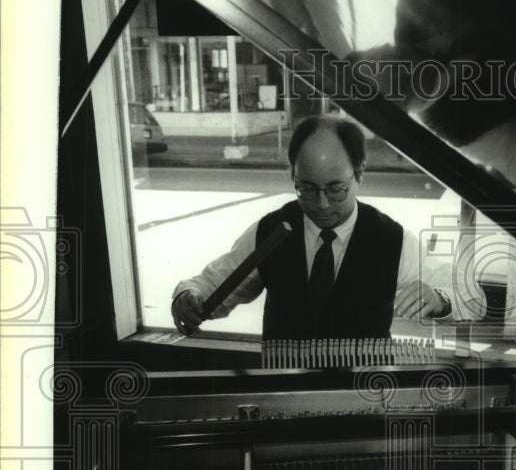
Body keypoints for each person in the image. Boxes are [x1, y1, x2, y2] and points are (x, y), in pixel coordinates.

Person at [171, 115, 484, 339]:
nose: (321, 205)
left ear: (359, 174)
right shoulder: (269, 232)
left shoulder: (393, 239)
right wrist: (188, 297)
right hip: (283, 398)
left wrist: (440, 298)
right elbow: (207, 287)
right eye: (306, 188)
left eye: (336, 190)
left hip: (365, 402)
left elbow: (473, 299)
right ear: (292, 175)